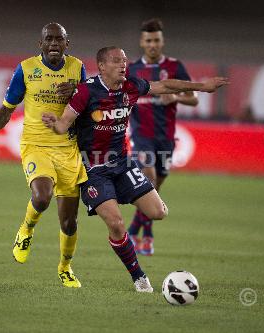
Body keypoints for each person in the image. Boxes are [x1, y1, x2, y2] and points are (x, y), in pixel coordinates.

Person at [42, 46, 228, 292]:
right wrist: (55, 125)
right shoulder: (86, 91)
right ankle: (139, 277)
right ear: (102, 66)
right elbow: (64, 125)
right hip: (93, 169)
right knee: (116, 223)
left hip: (122, 163)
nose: (123, 65)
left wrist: (202, 87)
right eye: (117, 61)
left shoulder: (131, 86)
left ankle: (129, 199)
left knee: (158, 212)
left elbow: (165, 86)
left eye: (125, 61)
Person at [0, 23, 87, 288]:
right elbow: (7, 108)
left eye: (58, 39)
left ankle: (65, 267)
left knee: (69, 221)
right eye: (48, 39)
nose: (53, 44)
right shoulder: (26, 69)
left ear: (66, 43)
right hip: (35, 144)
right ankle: (26, 230)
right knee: (42, 195)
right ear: (40, 44)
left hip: (68, 149)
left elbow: (89, 103)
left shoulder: (78, 68)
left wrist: (76, 91)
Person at [126, 18, 200, 256]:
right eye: (148, 40)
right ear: (142, 42)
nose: (153, 44)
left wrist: (176, 97)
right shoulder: (132, 70)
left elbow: (194, 98)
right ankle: (146, 237)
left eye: (156, 40)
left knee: (153, 190)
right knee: (148, 177)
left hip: (165, 139)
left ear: (162, 41)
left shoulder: (175, 67)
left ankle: (134, 229)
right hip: (141, 136)